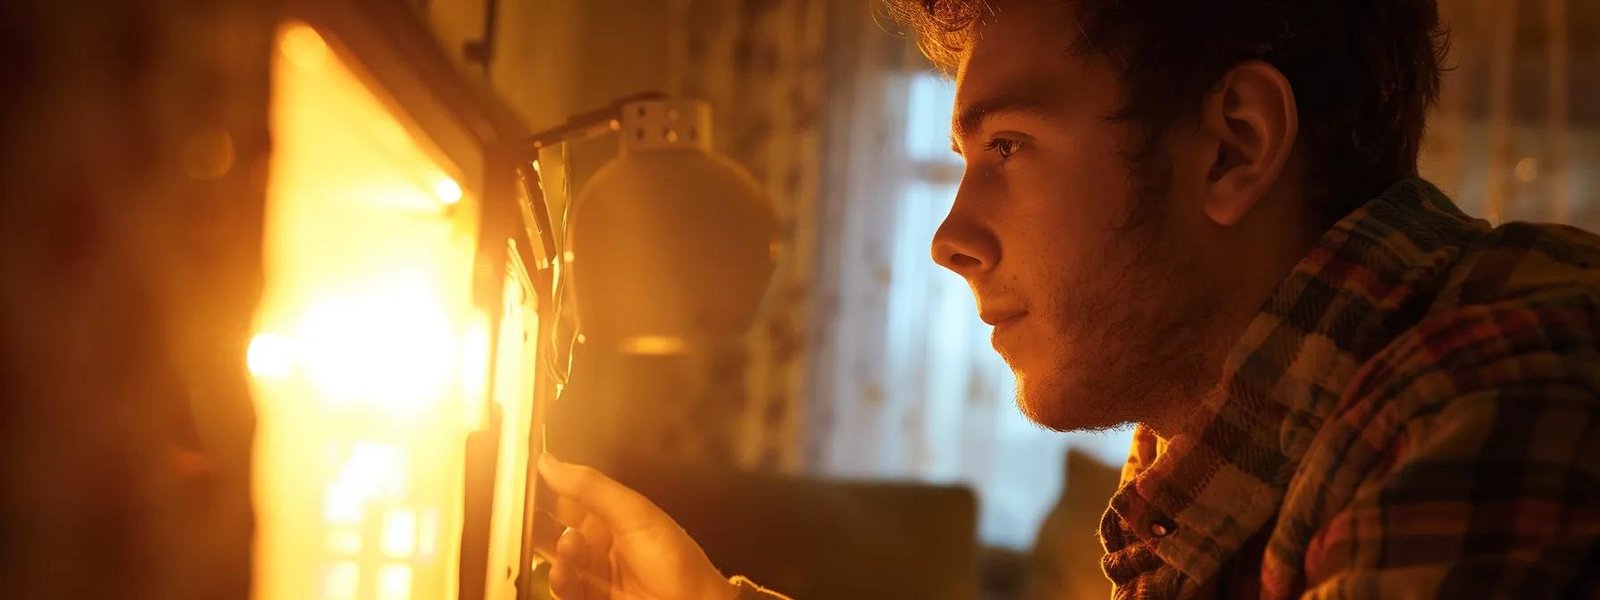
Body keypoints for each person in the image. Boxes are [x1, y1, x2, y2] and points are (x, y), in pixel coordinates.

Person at [537, 0, 1600, 598]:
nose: (951, 241)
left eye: (1008, 145)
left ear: (1233, 146)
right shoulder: (1242, 455)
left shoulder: (1493, 391)